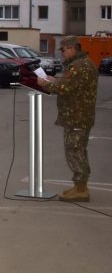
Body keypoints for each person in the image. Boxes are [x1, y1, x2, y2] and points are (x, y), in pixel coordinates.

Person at [37, 36, 98, 202]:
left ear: (72, 49)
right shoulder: (82, 65)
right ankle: (80, 186)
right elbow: (71, 84)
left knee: (75, 151)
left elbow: (67, 87)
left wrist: (45, 83)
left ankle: (81, 190)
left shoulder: (81, 67)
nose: (63, 54)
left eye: (63, 50)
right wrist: (55, 80)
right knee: (77, 150)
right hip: (78, 116)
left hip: (77, 117)